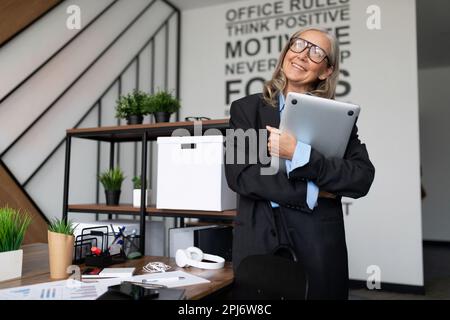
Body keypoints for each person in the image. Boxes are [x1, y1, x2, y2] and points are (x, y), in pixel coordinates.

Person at [224, 27, 375, 300]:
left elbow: (361, 178)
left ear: (327, 71)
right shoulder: (245, 110)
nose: (303, 55)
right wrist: (312, 191)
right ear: (286, 53)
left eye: (316, 52)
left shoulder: (339, 119)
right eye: (298, 45)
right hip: (259, 236)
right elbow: (241, 175)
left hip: (317, 240)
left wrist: (299, 153)